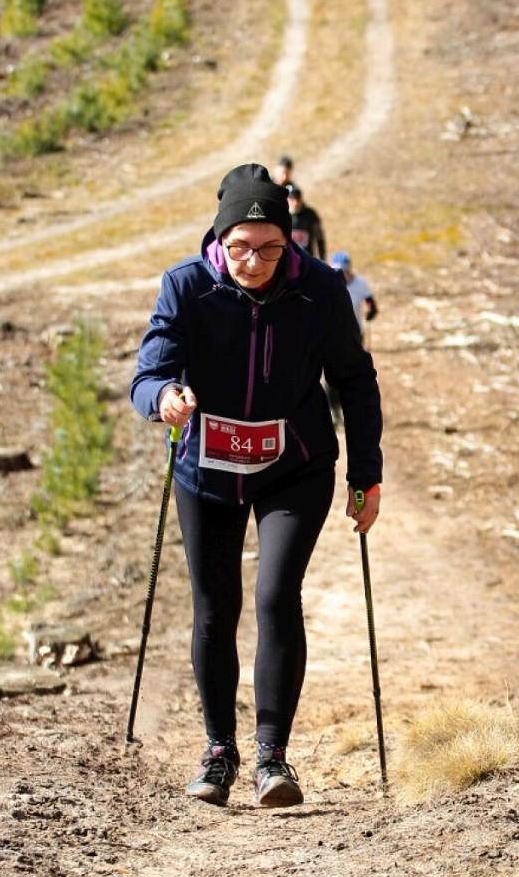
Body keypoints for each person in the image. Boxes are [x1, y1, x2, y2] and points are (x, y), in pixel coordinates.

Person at [130, 163, 383, 810]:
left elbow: (354, 381)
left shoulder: (320, 290)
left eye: (270, 246)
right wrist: (164, 397)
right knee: (215, 605)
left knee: (276, 596)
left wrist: (365, 475)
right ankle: (219, 751)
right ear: (219, 240)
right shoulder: (187, 286)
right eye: (240, 246)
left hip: (292, 465)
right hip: (207, 468)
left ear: (289, 239)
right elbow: (147, 373)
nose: (254, 260)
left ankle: (272, 755)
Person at [330, 251, 378, 345]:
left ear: (349, 270)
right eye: (336, 271)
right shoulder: (329, 284)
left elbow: (369, 300)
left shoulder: (360, 283)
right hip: (333, 330)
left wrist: (372, 309)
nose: (340, 275)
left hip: (354, 330)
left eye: (343, 271)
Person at [287, 182, 327, 260]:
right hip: (287, 260)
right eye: (292, 199)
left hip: (306, 259)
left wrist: (322, 259)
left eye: (297, 199)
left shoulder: (310, 215)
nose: (295, 203)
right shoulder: (281, 215)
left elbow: (319, 238)